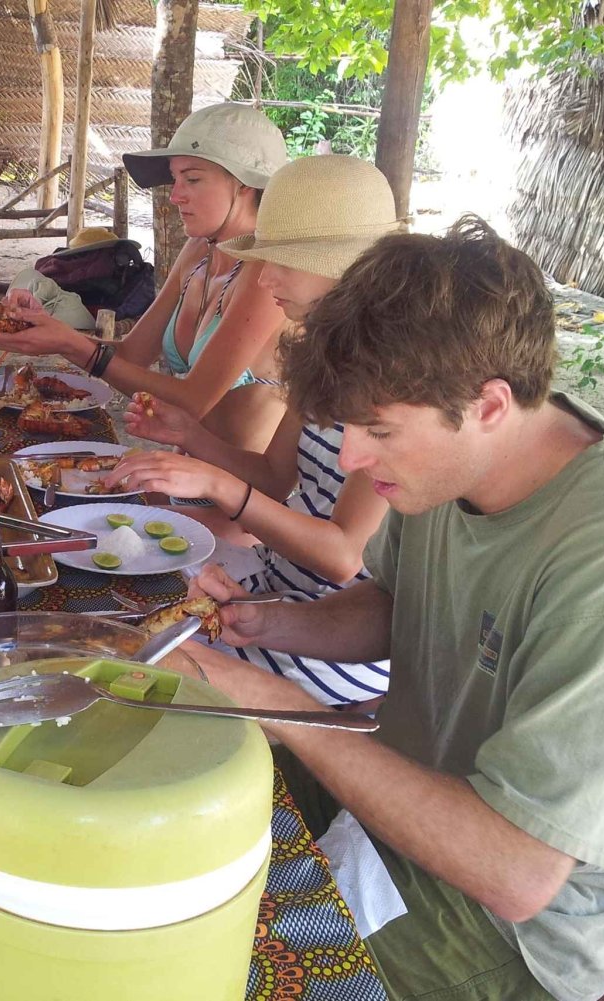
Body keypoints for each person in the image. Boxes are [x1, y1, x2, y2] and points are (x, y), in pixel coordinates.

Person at [183, 215, 604, 999]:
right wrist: (266, 623)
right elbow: (394, 604)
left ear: (490, 404)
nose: (353, 457)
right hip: (415, 789)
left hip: (519, 925)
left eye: (377, 430)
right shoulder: (452, 460)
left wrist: (283, 704)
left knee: (223, 969)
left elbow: (518, 872)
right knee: (185, 804)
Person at [109, 156, 401, 705]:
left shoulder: (399, 386)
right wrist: (191, 438)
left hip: (338, 635)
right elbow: (273, 476)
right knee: (114, 628)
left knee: (130, 680)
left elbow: (344, 556)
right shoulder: (323, 356)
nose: (265, 279)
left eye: (283, 263)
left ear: (346, 273)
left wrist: (217, 484)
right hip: (272, 595)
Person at [0, 103, 291, 452]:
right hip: (180, 470)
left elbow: (193, 401)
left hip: (238, 483)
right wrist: (48, 330)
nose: (175, 195)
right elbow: (132, 355)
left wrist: (68, 343)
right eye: (175, 179)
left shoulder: (268, 272)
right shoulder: (198, 252)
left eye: (192, 179)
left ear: (245, 184)